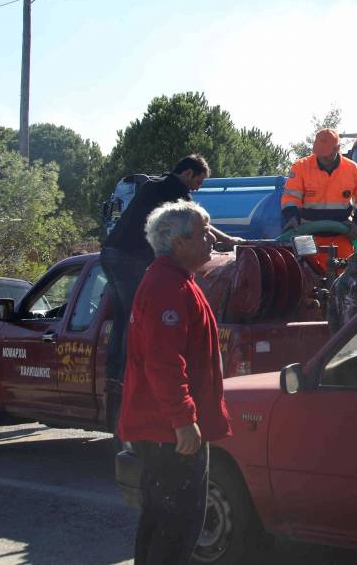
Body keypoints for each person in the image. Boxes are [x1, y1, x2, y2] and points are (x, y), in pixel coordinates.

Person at [118, 201, 231, 565]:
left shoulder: (176, 281)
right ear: (178, 242)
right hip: (170, 434)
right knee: (176, 527)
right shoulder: (168, 285)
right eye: (203, 232)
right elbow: (164, 362)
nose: (211, 239)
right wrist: (183, 420)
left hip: (166, 431)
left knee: (163, 524)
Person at [101, 155, 240, 419]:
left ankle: (114, 373)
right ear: (187, 173)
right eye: (198, 181)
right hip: (129, 256)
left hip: (110, 252)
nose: (197, 188)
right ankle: (127, 375)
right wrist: (229, 239)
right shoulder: (175, 191)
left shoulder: (153, 185)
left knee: (122, 315)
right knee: (134, 318)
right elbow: (200, 223)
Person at [282, 129, 357, 232]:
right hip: (308, 235)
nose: (322, 157)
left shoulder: (352, 169)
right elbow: (290, 199)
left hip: (343, 234)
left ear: (337, 148)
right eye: (320, 153)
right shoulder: (300, 167)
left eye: (327, 153)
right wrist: (292, 218)